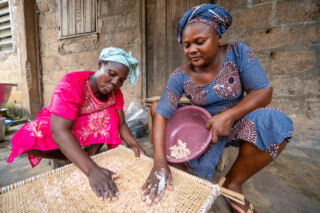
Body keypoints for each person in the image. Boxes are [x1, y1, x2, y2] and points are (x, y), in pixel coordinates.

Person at [141, 4, 293, 213]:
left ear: (218, 38)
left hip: (236, 123)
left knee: (277, 122)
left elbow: (263, 91)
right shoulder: (180, 75)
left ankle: (232, 184)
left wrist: (229, 116)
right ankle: (180, 167)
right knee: (157, 107)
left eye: (199, 42)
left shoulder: (238, 53)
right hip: (201, 128)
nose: (192, 49)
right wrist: (158, 163)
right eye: (186, 45)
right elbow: (162, 113)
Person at [7, 47, 146, 201]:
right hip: (60, 124)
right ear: (100, 65)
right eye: (112, 74)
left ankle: (88, 156)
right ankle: (76, 159)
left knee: (110, 114)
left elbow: (120, 125)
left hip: (84, 128)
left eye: (121, 80)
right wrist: (92, 171)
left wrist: (134, 144)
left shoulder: (116, 94)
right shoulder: (72, 83)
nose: (115, 82)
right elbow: (59, 131)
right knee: (30, 134)